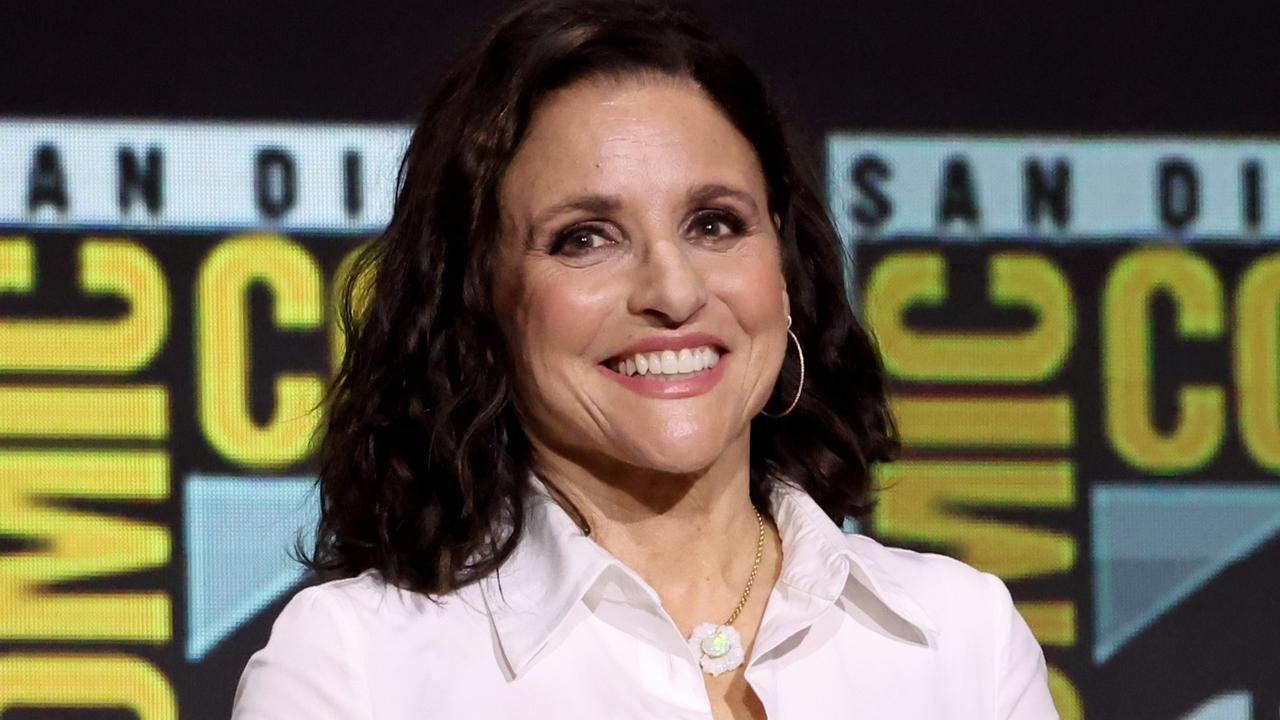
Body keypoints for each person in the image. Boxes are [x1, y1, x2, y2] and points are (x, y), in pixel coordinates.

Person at [231, 0, 1059, 717]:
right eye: (585, 238)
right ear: (479, 298)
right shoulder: (358, 666)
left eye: (715, 223)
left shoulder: (960, 638)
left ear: (787, 269)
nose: (673, 289)